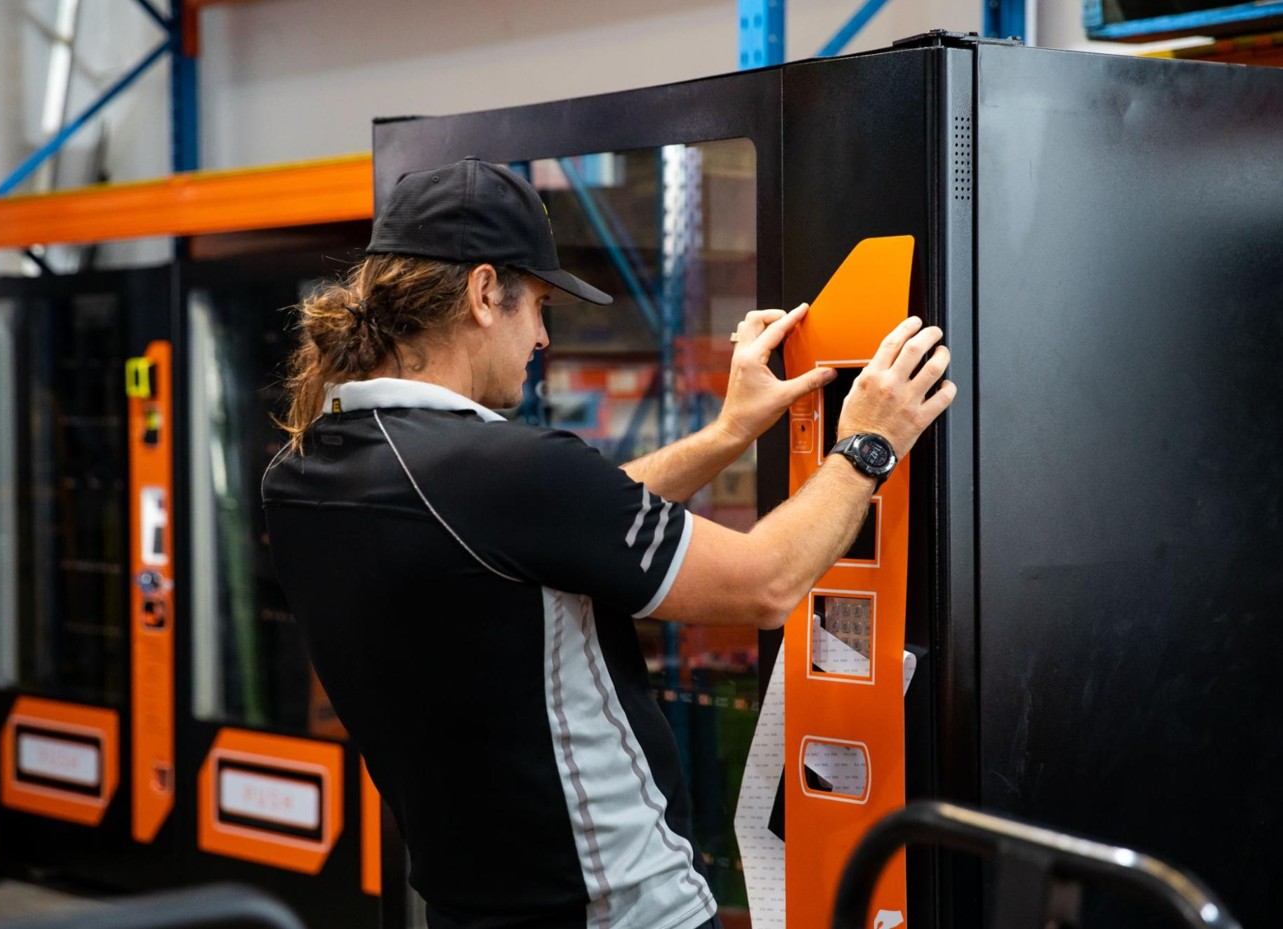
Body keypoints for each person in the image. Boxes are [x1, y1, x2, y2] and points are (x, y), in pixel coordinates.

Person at [262, 157, 955, 929]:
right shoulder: (505, 473)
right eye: (538, 308)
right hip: (616, 911)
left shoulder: (308, 471)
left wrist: (729, 433)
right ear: (484, 292)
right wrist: (865, 445)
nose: (544, 338)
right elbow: (766, 583)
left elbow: (554, 529)